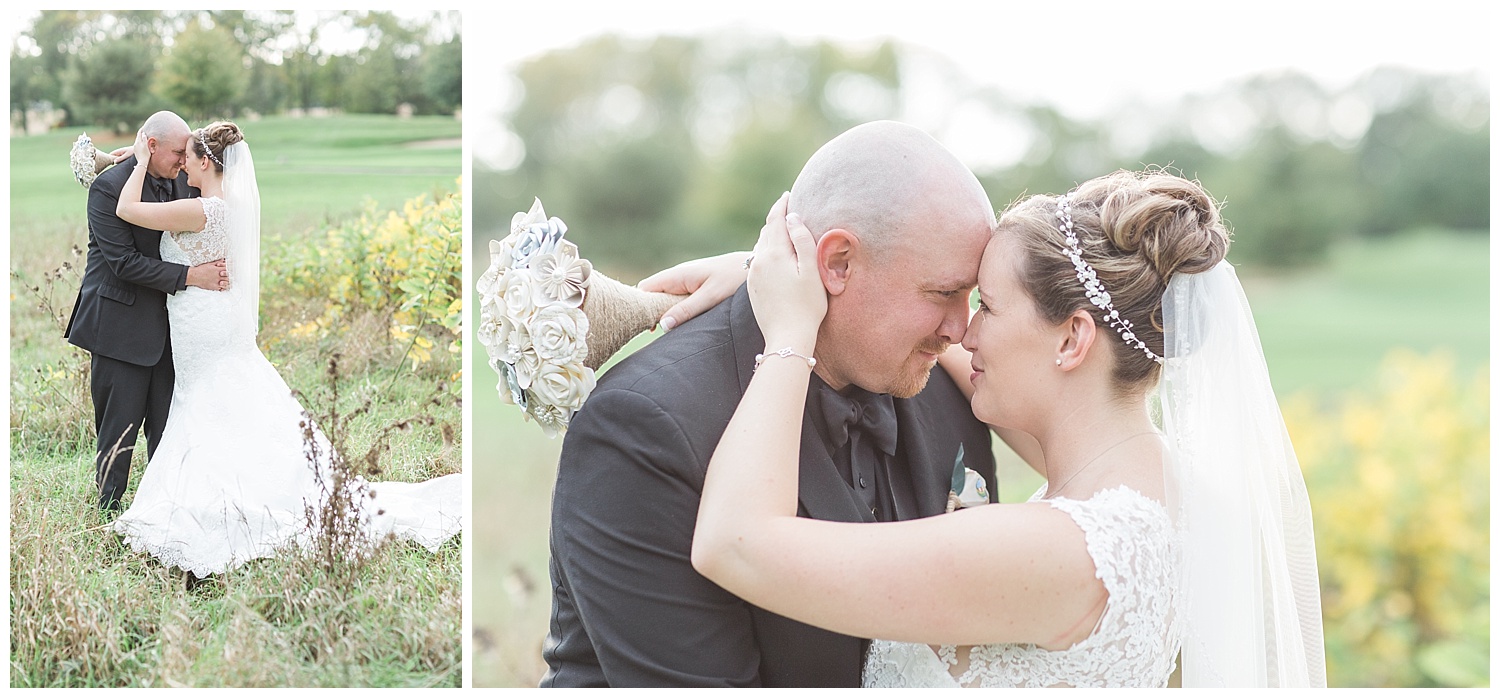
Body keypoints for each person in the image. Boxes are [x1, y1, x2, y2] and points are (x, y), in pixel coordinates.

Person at [669, 169, 1326, 687]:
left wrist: (789, 331)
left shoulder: (1050, 551)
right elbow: (967, 357)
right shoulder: (1173, 486)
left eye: (988, 304)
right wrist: (811, 284)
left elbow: (734, 544)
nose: (963, 328)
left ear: (1072, 339)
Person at [541, 121, 999, 687]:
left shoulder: (957, 389)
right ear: (836, 263)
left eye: (972, 296)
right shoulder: (644, 427)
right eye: (942, 293)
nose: (961, 329)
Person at [104, 120, 462, 580]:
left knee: (208, 404)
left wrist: (136, 158)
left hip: (203, 324)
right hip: (215, 321)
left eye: (188, 158)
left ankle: (222, 498)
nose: (181, 167)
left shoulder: (199, 211)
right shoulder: (229, 206)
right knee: (227, 401)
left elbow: (128, 208)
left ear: (205, 162)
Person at [65, 110, 229, 511]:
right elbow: (123, 263)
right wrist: (192, 275)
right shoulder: (108, 188)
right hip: (118, 326)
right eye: (177, 151)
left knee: (168, 430)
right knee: (117, 435)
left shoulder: (181, 179)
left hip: (173, 330)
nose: (183, 159)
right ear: (151, 146)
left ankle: (163, 511)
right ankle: (107, 514)